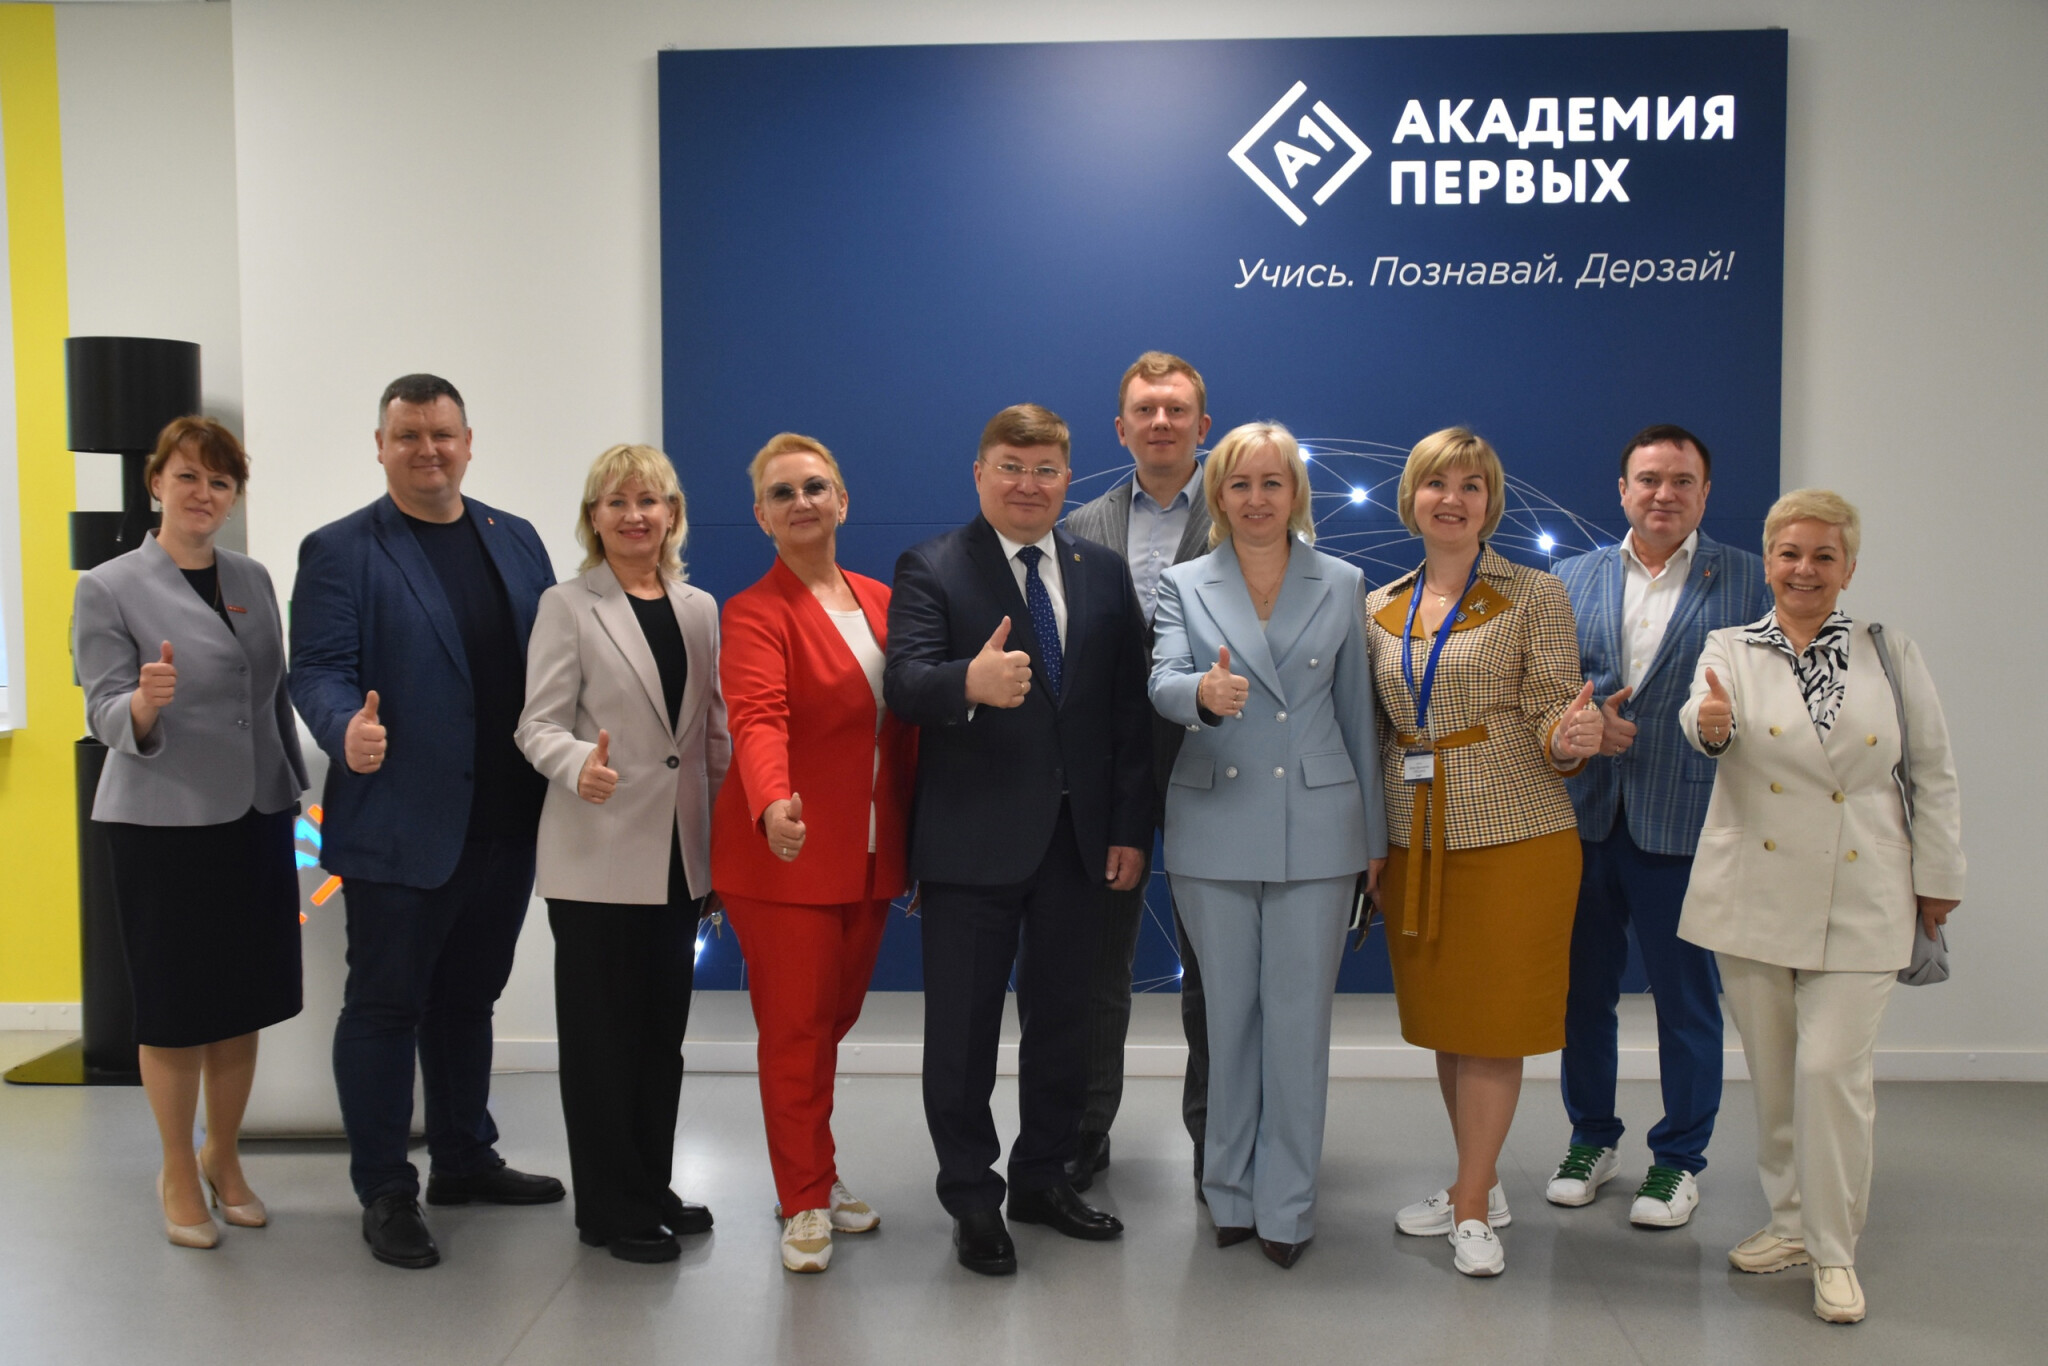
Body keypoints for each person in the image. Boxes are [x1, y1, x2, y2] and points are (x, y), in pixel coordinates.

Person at [289, 374, 562, 1270]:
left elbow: (552, 664)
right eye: (407, 435)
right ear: (380, 447)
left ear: (468, 442)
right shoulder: (340, 550)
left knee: (468, 999)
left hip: (506, 820)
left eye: (442, 433)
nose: (427, 450)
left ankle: (464, 1158)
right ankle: (385, 1190)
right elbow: (316, 671)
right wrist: (345, 729)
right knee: (385, 1006)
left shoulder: (514, 537)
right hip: (400, 824)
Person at [1677, 489, 1962, 1324]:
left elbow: (1933, 769)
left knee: (1832, 1073)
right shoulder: (1728, 646)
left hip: (1866, 887)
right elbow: (1705, 722)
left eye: (1823, 556)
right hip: (1753, 890)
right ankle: (1791, 1224)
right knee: (1774, 1077)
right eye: (1790, 554)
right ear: (1768, 562)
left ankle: (1835, 1252)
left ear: (1849, 568)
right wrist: (1712, 724)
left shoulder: (1889, 651)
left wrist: (1940, 875)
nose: (1805, 570)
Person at [884, 403, 1154, 1276]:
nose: (1027, 485)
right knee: (961, 1035)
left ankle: (1043, 1178)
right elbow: (905, 684)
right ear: (979, 473)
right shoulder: (932, 565)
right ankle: (972, 1197)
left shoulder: (1101, 570)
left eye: (1044, 470)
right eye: (1010, 466)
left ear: (1068, 478)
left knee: (1067, 1023)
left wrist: (1128, 828)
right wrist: (970, 680)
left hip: (1080, 844)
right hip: (971, 843)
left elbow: (1126, 714)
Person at [1364, 427, 1603, 1278]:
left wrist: (1570, 737)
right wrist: (1370, 841)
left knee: (1494, 1026)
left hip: (1515, 833)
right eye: (1438, 484)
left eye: (1472, 486)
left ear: (1491, 504)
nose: (1454, 499)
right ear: (1413, 498)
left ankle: (1470, 1206)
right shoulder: (1379, 603)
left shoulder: (1535, 593)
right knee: (1448, 1021)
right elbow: (1374, 727)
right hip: (1414, 835)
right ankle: (1482, 1182)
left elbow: (1553, 709)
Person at [1148, 421, 1387, 1268]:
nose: (1256, 499)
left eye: (1271, 483)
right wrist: (1200, 694)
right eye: (1240, 483)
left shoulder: (1343, 581)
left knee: (1298, 1024)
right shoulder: (1183, 582)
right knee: (1228, 1020)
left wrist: (1375, 841)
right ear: (1219, 495)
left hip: (1318, 828)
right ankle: (1230, 1194)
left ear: (1295, 494)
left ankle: (1287, 1203)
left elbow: (1357, 715)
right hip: (1214, 821)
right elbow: (1160, 680)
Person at [73, 417, 308, 1249]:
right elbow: (102, 710)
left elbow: (271, 693)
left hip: (255, 814)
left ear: (232, 496)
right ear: (156, 484)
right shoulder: (109, 586)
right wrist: (143, 702)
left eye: (219, 481)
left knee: (242, 1000)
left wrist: (292, 786)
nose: (203, 493)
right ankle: (177, 1167)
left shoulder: (251, 577)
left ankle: (224, 1155)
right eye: (187, 477)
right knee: (176, 1007)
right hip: (162, 823)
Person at [1547, 425, 1771, 1227]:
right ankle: (1591, 1138)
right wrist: (1577, 727)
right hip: (1583, 819)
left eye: (1681, 481)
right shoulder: (1569, 579)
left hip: (1687, 821)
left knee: (1686, 1002)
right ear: (1623, 491)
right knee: (1583, 998)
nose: (1663, 494)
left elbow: (1771, 699)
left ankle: (1678, 1161)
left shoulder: (1750, 581)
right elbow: (1547, 690)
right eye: (1648, 480)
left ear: (1705, 494)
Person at [515, 444, 727, 1263]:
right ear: (593, 518)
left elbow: (710, 734)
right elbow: (536, 724)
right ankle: (610, 1209)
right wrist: (579, 765)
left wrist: (725, 844)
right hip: (596, 853)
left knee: (658, 1040)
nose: (635, 515)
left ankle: (649, 1184)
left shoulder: (699, 607)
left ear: (672, 514)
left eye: (650, 501)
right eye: (617, 502)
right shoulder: (568, 605)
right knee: (602, 1043)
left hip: (679, 856)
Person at [711, 433, 916, 1273]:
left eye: (815, 487)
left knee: (830, 1025)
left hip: (867, 860)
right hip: (785, 857)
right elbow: (757, 717)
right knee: (795, 1032)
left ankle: (817, 1172)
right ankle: (801, 1197)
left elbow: (909, 724)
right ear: (762, 517)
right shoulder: (752, 613)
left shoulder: (883, 601)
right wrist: (770, 804)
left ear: (842, 502)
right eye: (783, 493)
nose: (802, 502)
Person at [1061, 351, 1216, 1199]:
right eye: (1145, 410)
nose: (1161, 422)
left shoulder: (1245, 510)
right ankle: (1084, 1130)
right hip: (1107, 765)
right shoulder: (1079, 525)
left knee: (1215, 968)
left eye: (1176, 409)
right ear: (1120, 429)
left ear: (1202, 424)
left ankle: (1217, 1139)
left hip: (1215, 759)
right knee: (1095, 964)